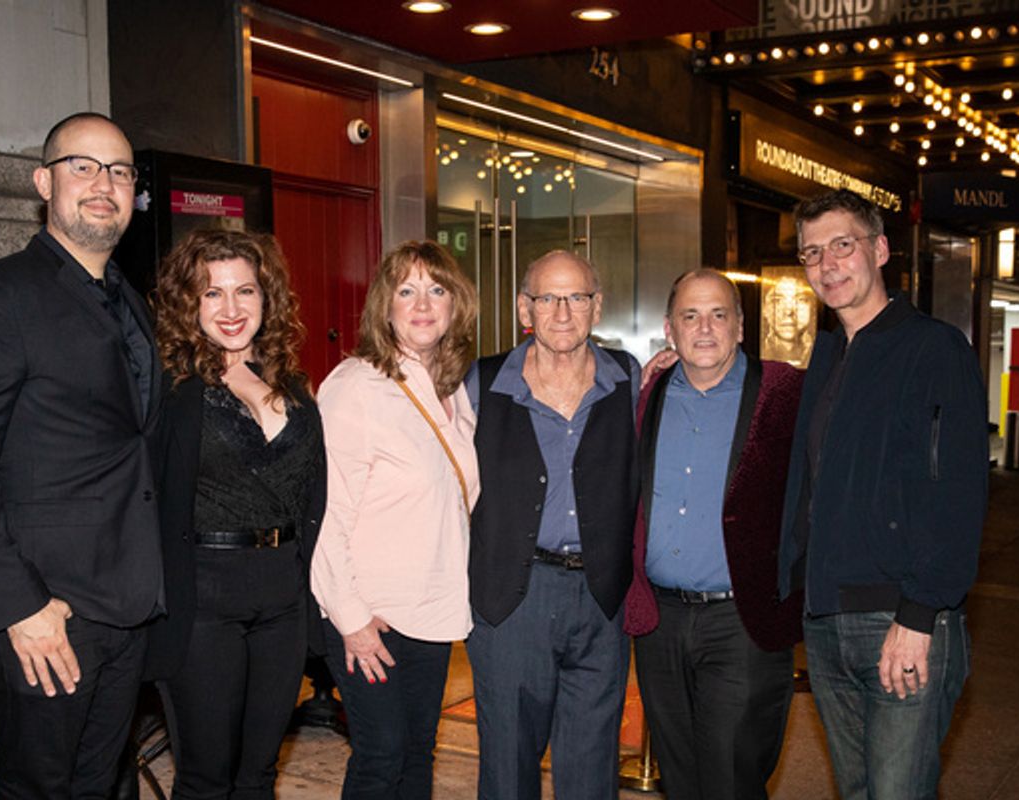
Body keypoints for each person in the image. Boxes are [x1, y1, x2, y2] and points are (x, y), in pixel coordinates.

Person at [0, 112, 164, 797]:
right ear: (42, 183)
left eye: (119, 171)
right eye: (82, 166)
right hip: (45, 614)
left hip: (123, 608)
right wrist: (20, 607)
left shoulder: (128, 302)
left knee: (98, 786)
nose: (103, 184)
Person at [778, 189, 989, 799]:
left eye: (842, 246)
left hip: (900, 619)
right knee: (860, 792)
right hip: (826, 624)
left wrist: (919, 613)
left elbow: (960, 492)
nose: (827, 265)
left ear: (880, 250)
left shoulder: (934, 348)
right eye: (811, 253)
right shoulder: (827, 355)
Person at [145, 228, 326, 798]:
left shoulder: (294, 384)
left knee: (259, 774)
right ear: (188, 303)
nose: (230, 309)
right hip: (203, 600)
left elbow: (315, 495)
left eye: (244, 291)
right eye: (211, 293)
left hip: (283, 600)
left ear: (266, 298)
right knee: (205, 779)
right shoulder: (170, 389)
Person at [623, 269, 804, 800]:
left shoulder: (784, 392)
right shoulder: (644, 394)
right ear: (668, 329)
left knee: (731, 776)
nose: (705, 328)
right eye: (690, 316)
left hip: (741, 621)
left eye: (719, 314)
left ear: (741, 326)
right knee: (679, 778)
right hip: (659, 621)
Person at [466, 250, 640, 800]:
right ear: (525, 307)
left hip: (600, 599)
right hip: (512, 599)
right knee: (507, 767)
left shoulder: (630, 380)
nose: (563, 312)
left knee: (592, 771)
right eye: (547, 297)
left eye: (577, 297)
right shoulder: (479, 384)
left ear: (597, 306)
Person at [310, 240, 479, 798]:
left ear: (457, 305)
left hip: (431, 611)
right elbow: (326, 514)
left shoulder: (453, 392)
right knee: (380, 758)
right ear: (385, 307)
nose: (423, 303)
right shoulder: (356, 387)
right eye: (406, 290)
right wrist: (351, 618)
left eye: (437, 289)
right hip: (370, 615)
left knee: (415, 754)